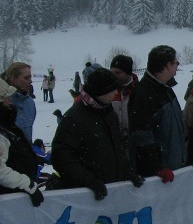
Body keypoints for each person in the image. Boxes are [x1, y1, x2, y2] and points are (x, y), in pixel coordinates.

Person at [51, 67, 145, 199]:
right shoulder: (74, 118)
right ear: (102, 91)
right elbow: (61, 158)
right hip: (87, 195)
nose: (116, 93)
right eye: (113, 89)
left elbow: (117, 149)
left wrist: (127, 173)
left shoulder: (108, 113)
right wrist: (90, 181)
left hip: (111, 191)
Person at [0, 75, 44, 206]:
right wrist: (26, 184)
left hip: (17, 197)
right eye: (6, 98)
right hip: (9, 200)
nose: (10, 101)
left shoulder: (2, 122)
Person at [127, 44, 186, 182]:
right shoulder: (144, 94)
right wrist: (157, 169)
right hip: (158, 178)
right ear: (167, 65)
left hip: (174, 169)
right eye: (175, 62)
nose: (177, 65)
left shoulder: (165, 88)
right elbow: (142, 138)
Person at [1, 62, 36, 144]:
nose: (30, 81)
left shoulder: (30, 102)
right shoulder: (1, 102)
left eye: (30, 77)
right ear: (13, 79)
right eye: (26, 78)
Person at [108, 54, 138, 143]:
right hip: (114, 141)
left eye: (117, 73)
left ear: (128, 73)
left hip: (134, 141)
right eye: (112, 72)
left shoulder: (138, 90)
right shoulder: (108, 91)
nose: (113, 76)